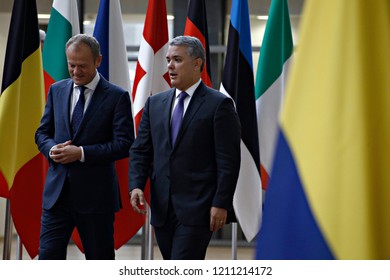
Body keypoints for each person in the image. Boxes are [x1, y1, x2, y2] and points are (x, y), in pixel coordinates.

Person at [129, 36, 241, 260]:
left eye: (177, 60)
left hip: (199, 208)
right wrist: (136, 185)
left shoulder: (219, 105)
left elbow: (228, 161)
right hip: (162, 208)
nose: (170, 65)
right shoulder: (155, 103)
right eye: (169, 59)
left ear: (197, 63)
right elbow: (141, 150)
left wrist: (221, 203)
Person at [35, 34, 134, 260]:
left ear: (98, 61)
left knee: (99, 260)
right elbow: (42, 133)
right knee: (48, 258)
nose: (76, 71)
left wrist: (80, 154)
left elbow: (123, 144)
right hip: (57, 196)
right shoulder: (57, 90)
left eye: (82, 66)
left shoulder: (117, 97)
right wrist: (52, 149)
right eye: (71, 65)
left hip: (96, 199)